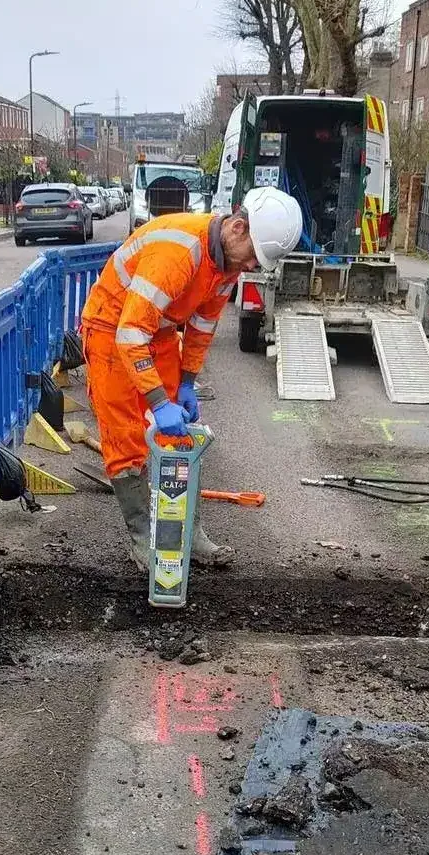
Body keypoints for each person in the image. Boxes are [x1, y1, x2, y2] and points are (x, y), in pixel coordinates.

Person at [80, 186, 304, 568]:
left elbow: (202, 326)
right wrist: (157, 402)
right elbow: (130, 333)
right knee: (125, 438)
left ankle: (189, 534)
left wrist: (185, 381)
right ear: (238, 228)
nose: (251, 267)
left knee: (180, 437)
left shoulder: (227, 265)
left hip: (159, 331)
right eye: (253, 256)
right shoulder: (179, 251)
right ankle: (142, 541)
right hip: (111, 327)